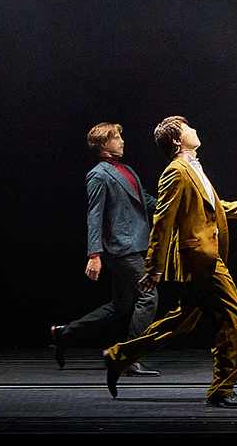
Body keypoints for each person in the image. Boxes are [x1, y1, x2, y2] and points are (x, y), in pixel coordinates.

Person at [102, 116, 237, 408]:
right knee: (234, 321)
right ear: (176, 140)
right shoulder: (176, 171)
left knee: (181, 322)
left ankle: (119, 355)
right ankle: (222, 390)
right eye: (187, 128)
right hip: (200, 259)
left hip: (204, 256)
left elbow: (214, 207)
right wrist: (154, 267)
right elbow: (162, 220)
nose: (195, 129)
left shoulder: (193, 169)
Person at [50, 123, 160, 376]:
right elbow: (94, 216)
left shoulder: (126, 169)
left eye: (121, 135)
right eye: (116, 137)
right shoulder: (99, 175)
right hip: (121, 247)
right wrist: (94, 254)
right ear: (103, 144)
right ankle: (127, 358)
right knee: (148, 296)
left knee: (121, 304)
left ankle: (65, 333)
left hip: (131, 244)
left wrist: (173, 205)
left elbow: (145, 201)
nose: (122, 141)